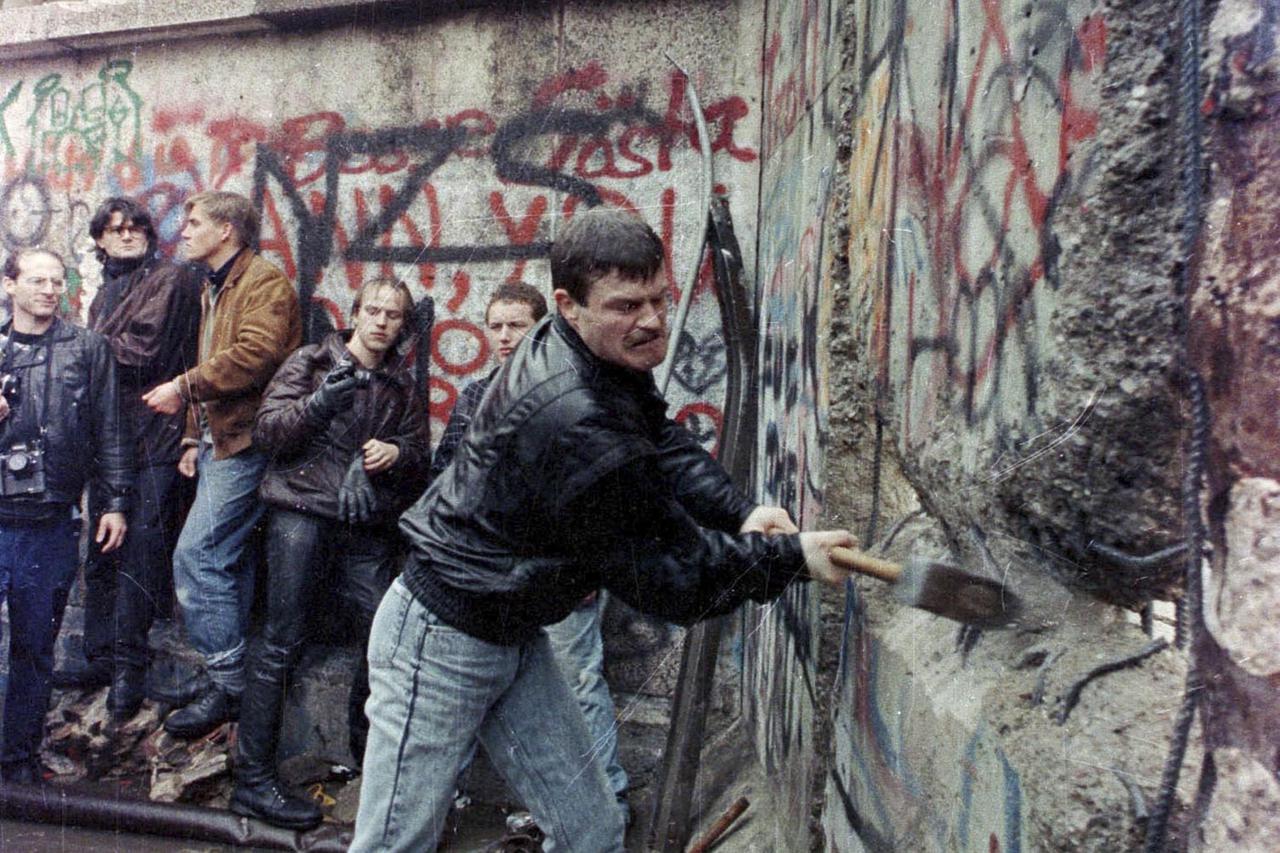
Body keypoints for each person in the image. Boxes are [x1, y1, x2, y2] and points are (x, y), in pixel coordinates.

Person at [351, 208, 855, 852]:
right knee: (395, 845)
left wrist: (738, 512)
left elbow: (657, 438)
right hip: (441, 640)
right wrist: (791, 559)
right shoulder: (572, 416)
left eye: (658, 299)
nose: (650, 321)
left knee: (591, 832)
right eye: (626, 305)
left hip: (512, 628)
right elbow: (674, 578)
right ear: (567, 305)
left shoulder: (598, 350)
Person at [230, 277, 429, 830]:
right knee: (280, 641)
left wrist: (394, 453)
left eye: (393, 315)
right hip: (300, 512)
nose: (382, 322)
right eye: (374, 311)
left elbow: (420, 456)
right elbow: (268, 435)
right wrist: (320, 404)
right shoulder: (311, 362)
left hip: (363, 524)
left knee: (382, 639)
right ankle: (252, 782)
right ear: (356, 314)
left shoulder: (400, 387)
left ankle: (372, 772)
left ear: (401, 325)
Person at [433, 281, 632, 819]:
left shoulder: (580, 392)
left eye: (515, 325)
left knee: (576, 684)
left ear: (543, 328)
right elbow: (442, 477)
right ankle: (450, 800)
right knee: (473, 682)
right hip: (491, 573)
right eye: (494, 326)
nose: (502, 337)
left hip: (559, 573)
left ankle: (606, 800)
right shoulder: (477, 396)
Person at [142, 190, 301, 739]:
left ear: (227, 230)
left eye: (194, 223)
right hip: (218, 442)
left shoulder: (264, 283)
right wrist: (192, 439)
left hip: (247, 444)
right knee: (226, 563)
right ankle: (222, 678)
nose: (183, 231)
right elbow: (213, 359)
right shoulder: (218, 284)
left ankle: (230, 686)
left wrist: (182, 390)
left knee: (198, 558)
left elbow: (255, 355)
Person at [51, 198, 201, 721]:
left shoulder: (170, 279)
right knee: (102, 547)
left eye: (137, 226)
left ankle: (128, 669)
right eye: (115, 229)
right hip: (107, 438)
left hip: (154, 436)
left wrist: (79, 348)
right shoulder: (105, 291)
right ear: (99, 240)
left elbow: (146, 351)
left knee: (140, 551)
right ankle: (98, 657)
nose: (128, 234)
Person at [0, 249, 130, 783]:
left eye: (57, 281)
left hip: (50, 524)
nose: (49, 290)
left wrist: (115, 502)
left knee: (35, 649)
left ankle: (16, 762)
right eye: (36, 280)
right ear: (9, 285)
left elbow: (110, 430)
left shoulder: (87, 349)